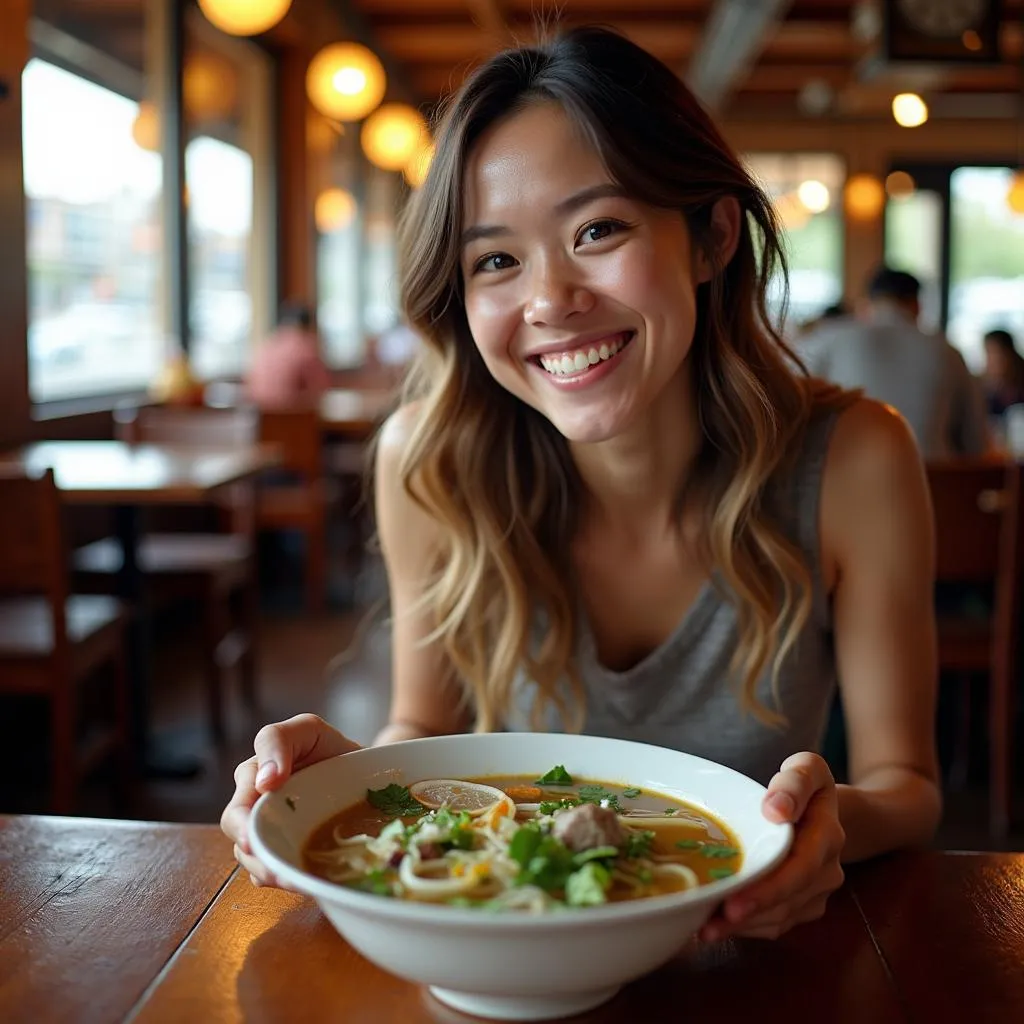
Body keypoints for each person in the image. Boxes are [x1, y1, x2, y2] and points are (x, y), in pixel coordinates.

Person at [222, 27, 941, 943]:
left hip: (753, 963)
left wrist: (828, 823)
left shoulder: (854, 459)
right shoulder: (430, 459)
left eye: (598, 230)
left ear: (712, 236)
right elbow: (422, 723)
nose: (550, 300)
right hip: (511, 952)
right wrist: (335, 779)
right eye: (495, 260)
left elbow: (906, 788)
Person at [799, 267, 990, 460]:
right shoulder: (947, 351)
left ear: (867, 303)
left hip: (848, 477)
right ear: (917, 305)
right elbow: (976, 440)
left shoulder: (828, 339)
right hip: (934, 482)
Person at [245, 302, 331, 408]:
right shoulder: (305, 346)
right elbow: (321, 390)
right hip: (295, 420)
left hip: (261, 419)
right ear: (308, 325)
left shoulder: (266, 345)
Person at [982, 327, 1024, 417]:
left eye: (993, 353)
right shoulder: (989, 391)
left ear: (1008, 354)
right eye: (987, 354)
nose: (988, 362)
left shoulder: (1019, 389)